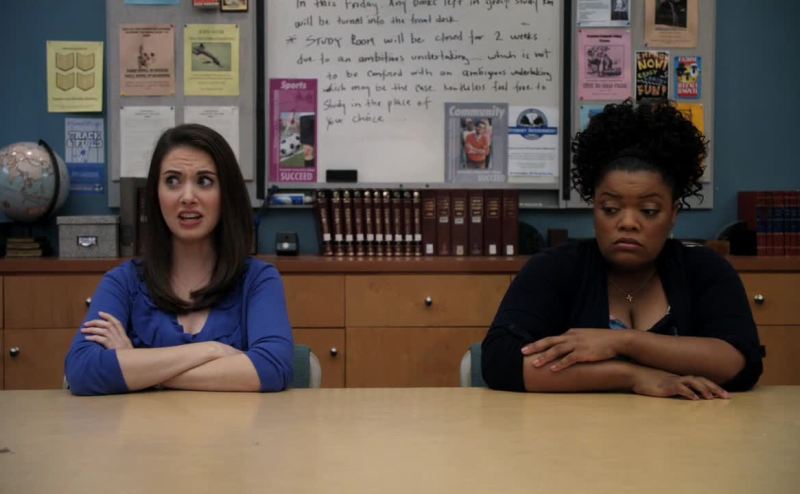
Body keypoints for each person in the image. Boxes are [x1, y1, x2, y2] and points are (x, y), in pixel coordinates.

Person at [482, 100, 762, 400]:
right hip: (576, 429)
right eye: (611, 208)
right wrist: (633, 376)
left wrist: (623, 342)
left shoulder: (704, 269)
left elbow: (738, 360)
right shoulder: (554, 268)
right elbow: (501, 361)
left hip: (688, 429)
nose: (628, 223)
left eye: (649, 210)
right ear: (594, 210)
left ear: (673, 214)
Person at [65, 124, 294, 395]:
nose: (187, 197)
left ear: (226, 193)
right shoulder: (123, 282)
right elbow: (82, 370)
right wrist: (212, 350)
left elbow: (272, 368)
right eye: (172, 181)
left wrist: (139, 367)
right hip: (143, 424)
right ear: (156, 194)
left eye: (204, 181)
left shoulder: (257, 280)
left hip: (235, 425)